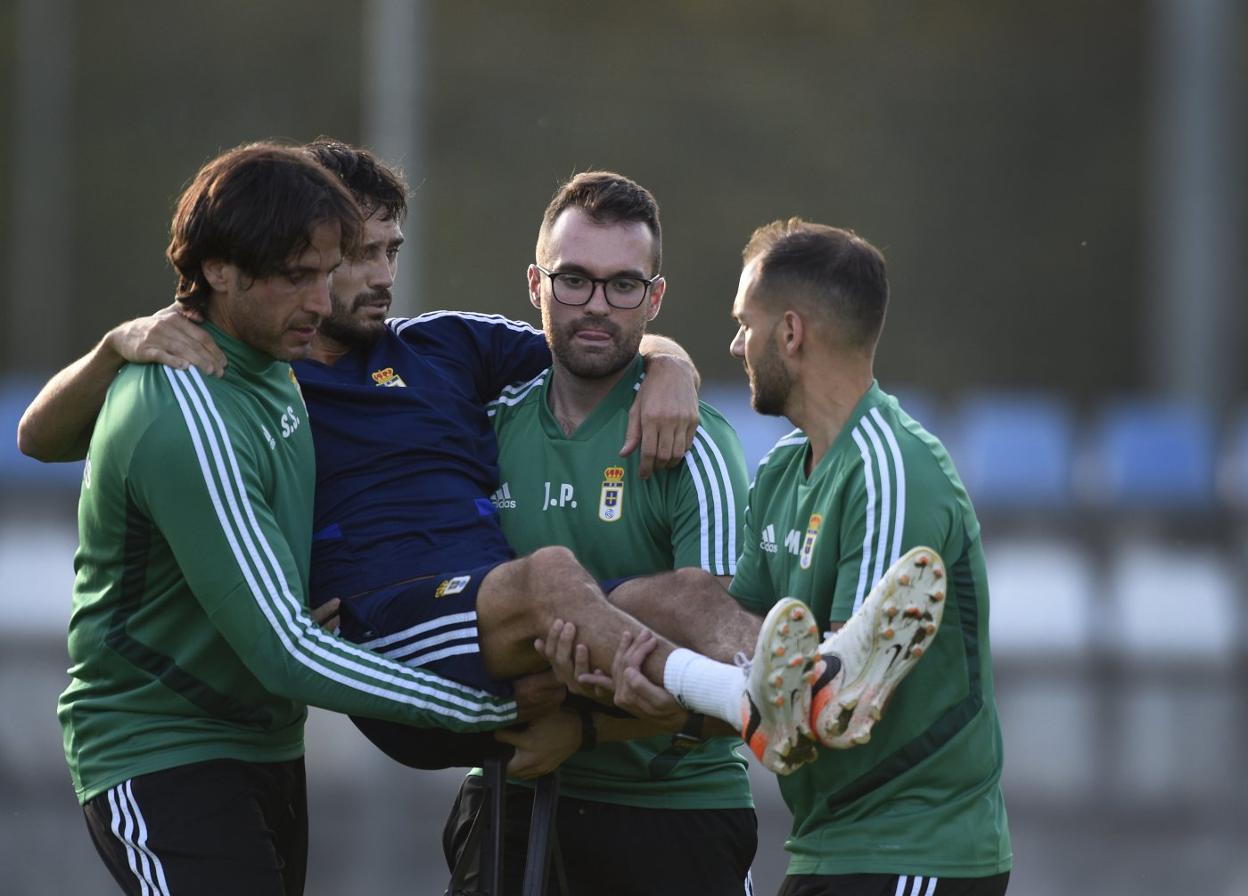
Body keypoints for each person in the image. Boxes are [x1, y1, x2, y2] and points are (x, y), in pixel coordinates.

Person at [53, 142, 532, 896]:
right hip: (162, 747)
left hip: (265, 737)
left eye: (327, 271)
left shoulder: (274, 350)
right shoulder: (186, 408)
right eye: (296, 276)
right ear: (218, 270)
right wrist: (492, 716)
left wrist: (667, 360)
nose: (320, 299)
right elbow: (284, 650)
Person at [606, 219, 1013, 895]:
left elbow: (824, 710)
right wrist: (655, 684)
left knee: (819, 691)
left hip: (914, 847)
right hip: (828, 847)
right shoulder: (782, 471)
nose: (736, 343)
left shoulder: (890, 469)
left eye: (745, 322)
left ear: (790, 333)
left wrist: (688, 681)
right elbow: (748, 655)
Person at [441, 171, 757, 896]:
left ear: (655, 298)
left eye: (623, 286)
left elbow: (730, 677)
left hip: (672, 810)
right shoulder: (482, 425)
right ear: (534, 285)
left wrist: (583, 730)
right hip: (507, 793)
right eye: (574, 280)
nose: (596, 307)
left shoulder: (696, 444)